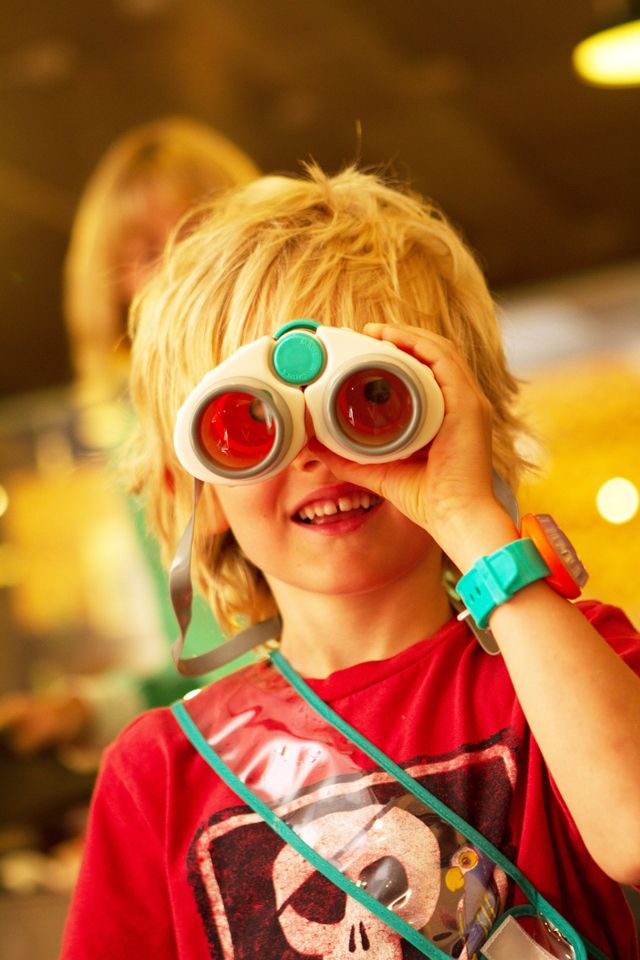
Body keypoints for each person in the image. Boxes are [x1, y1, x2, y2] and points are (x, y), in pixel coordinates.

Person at [61, 165, 640, 959]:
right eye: (250, 420)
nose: (317, 453)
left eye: (371, 398)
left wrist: (470, 517)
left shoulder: (566, 662)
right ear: (191, 478)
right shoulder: (160, 772)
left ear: (461, 416)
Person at [0, 118, 260, 759]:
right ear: (117, 288)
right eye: (147, 254)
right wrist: (87, 710)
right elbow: (214, 660)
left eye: (198, 233)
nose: (180, 270)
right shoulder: (142, 450)